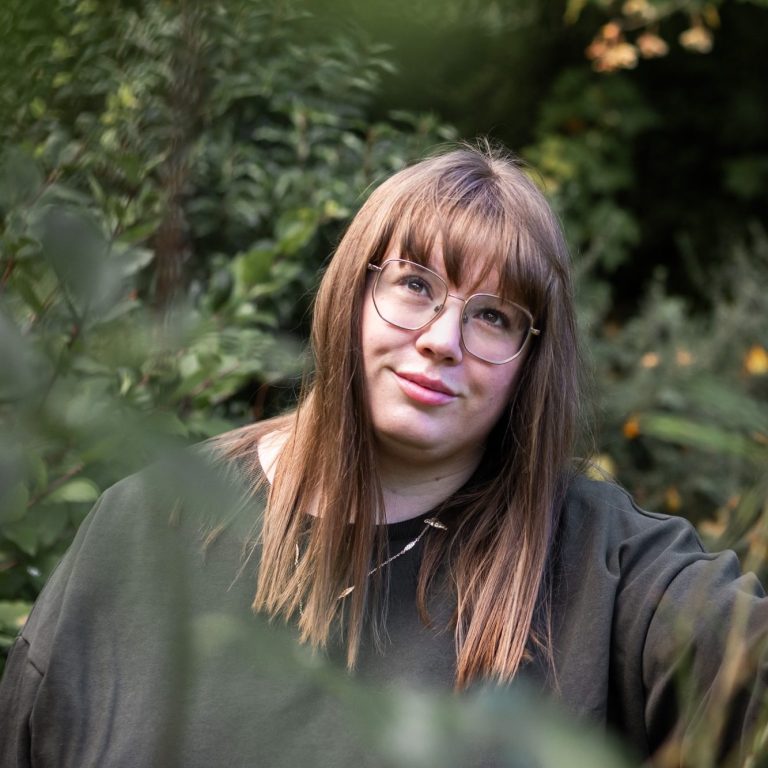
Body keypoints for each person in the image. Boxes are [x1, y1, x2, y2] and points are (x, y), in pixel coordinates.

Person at [1, 143, 767, 767]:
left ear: (531, 360)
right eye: (413, 284)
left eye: (495, 316)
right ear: (351, 291)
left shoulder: (601, 571)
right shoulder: (146, 526)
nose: (442, 340)